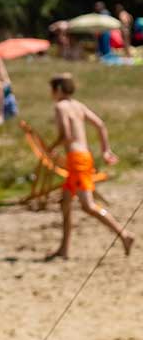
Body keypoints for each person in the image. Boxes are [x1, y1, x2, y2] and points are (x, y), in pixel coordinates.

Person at [45, 74, 133, 261]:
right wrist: (106, 150)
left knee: (88, 206)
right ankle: (64, 249)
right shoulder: (78, 105)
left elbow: (67, 135)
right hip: (83, 157)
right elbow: (100, 125)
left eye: (52, 89)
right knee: (65, 204)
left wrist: (50, 149)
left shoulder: (60, 107)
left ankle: (124, 234)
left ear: (59, 89)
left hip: (77, 160)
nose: (51, 93)